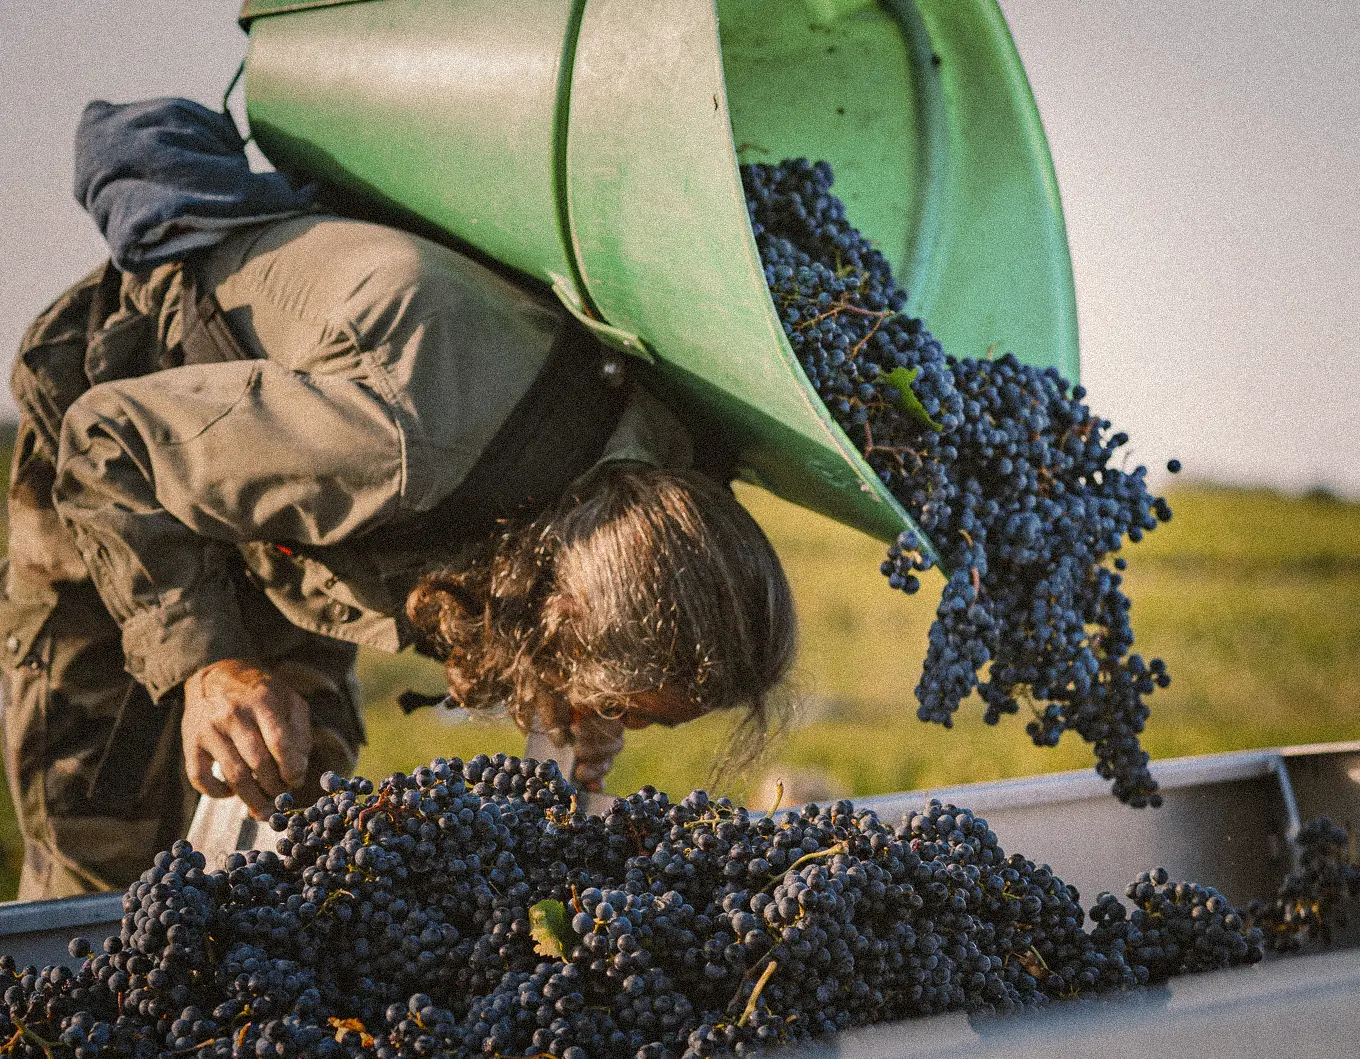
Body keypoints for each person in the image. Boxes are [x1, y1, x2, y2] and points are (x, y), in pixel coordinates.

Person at [1, 108, 797, 901]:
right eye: (624, 705)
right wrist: (208, 665)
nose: (614, 722)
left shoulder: (649, 474)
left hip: (296, 505)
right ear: (572, 609)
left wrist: (568, 688)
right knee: (105, 835)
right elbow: (107, 441)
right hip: (134, 448)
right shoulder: (391, 447)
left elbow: (532, 587)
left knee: (297, 813)